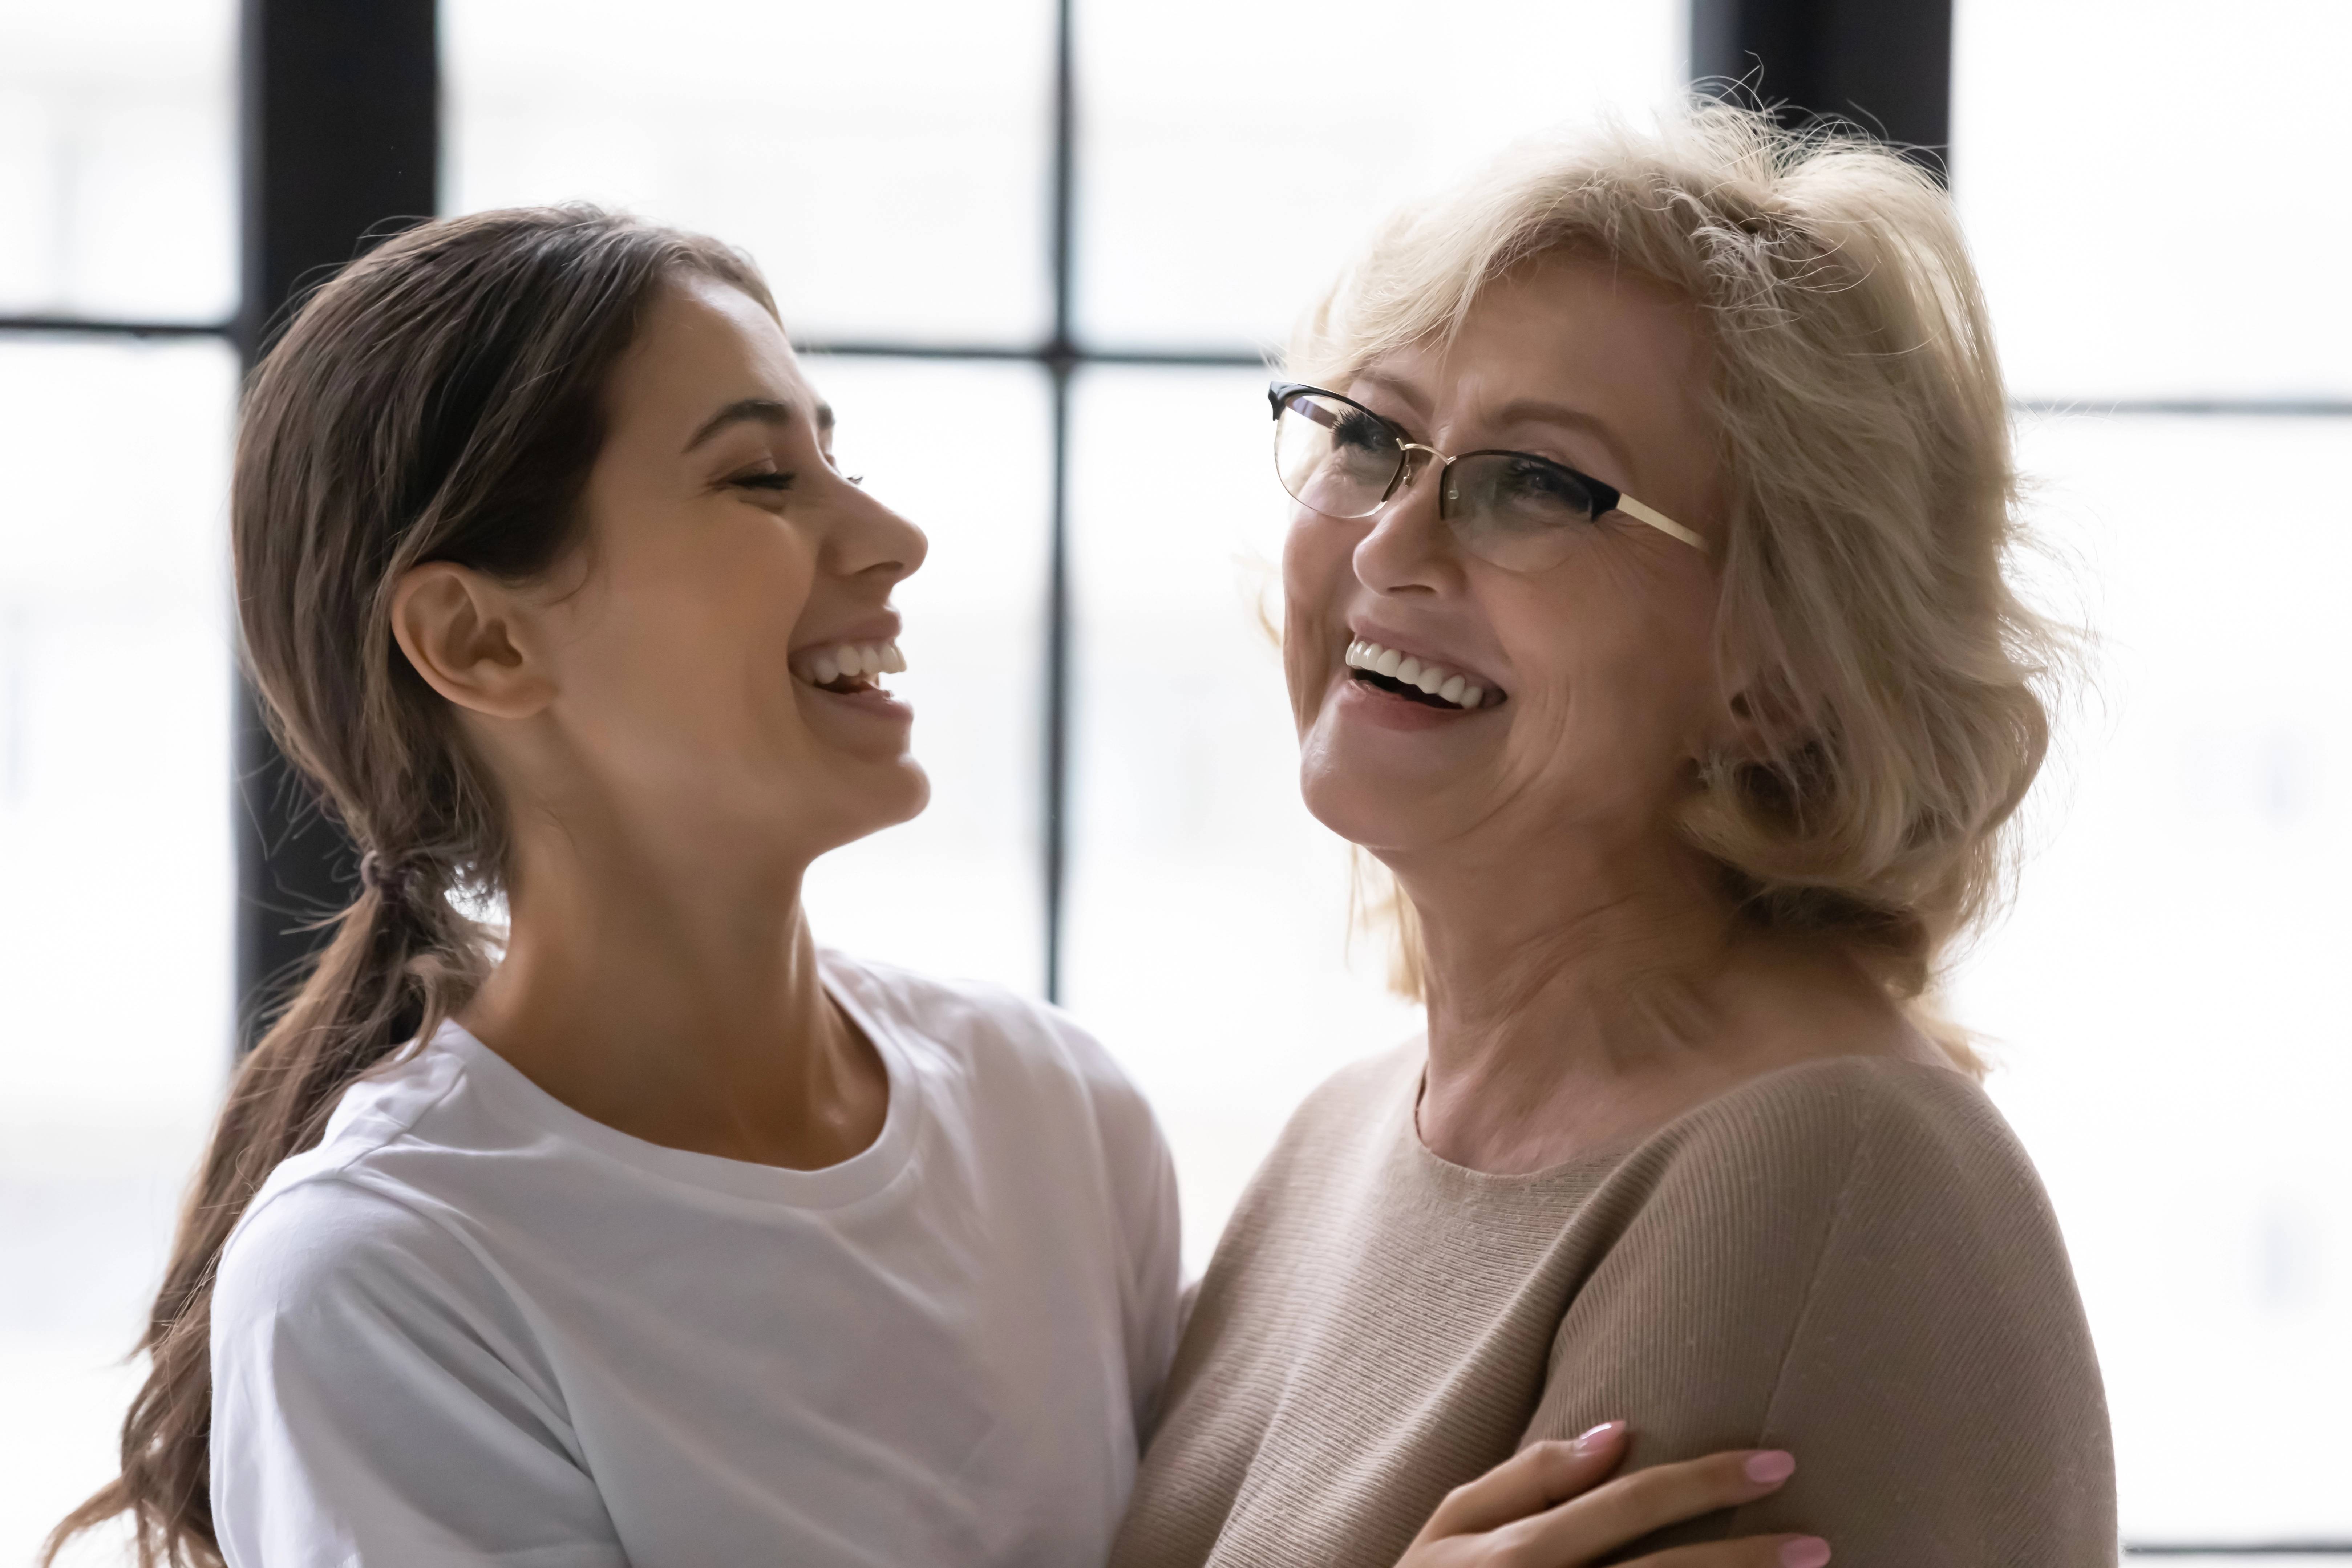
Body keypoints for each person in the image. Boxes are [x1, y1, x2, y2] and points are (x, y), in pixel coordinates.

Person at [46, 206, 1820, 1568]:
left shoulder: (1053, 1118)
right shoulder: (389, 1281)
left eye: (837, 452)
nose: (882, 537)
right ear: (479, 637)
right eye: (759, 477)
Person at [1112, 106, 2115, 1568]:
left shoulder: (1826, 1171)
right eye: (1370, 437)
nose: (1391, 546)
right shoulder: (1341, 1135)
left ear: (1776, 669)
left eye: (1534, 484)